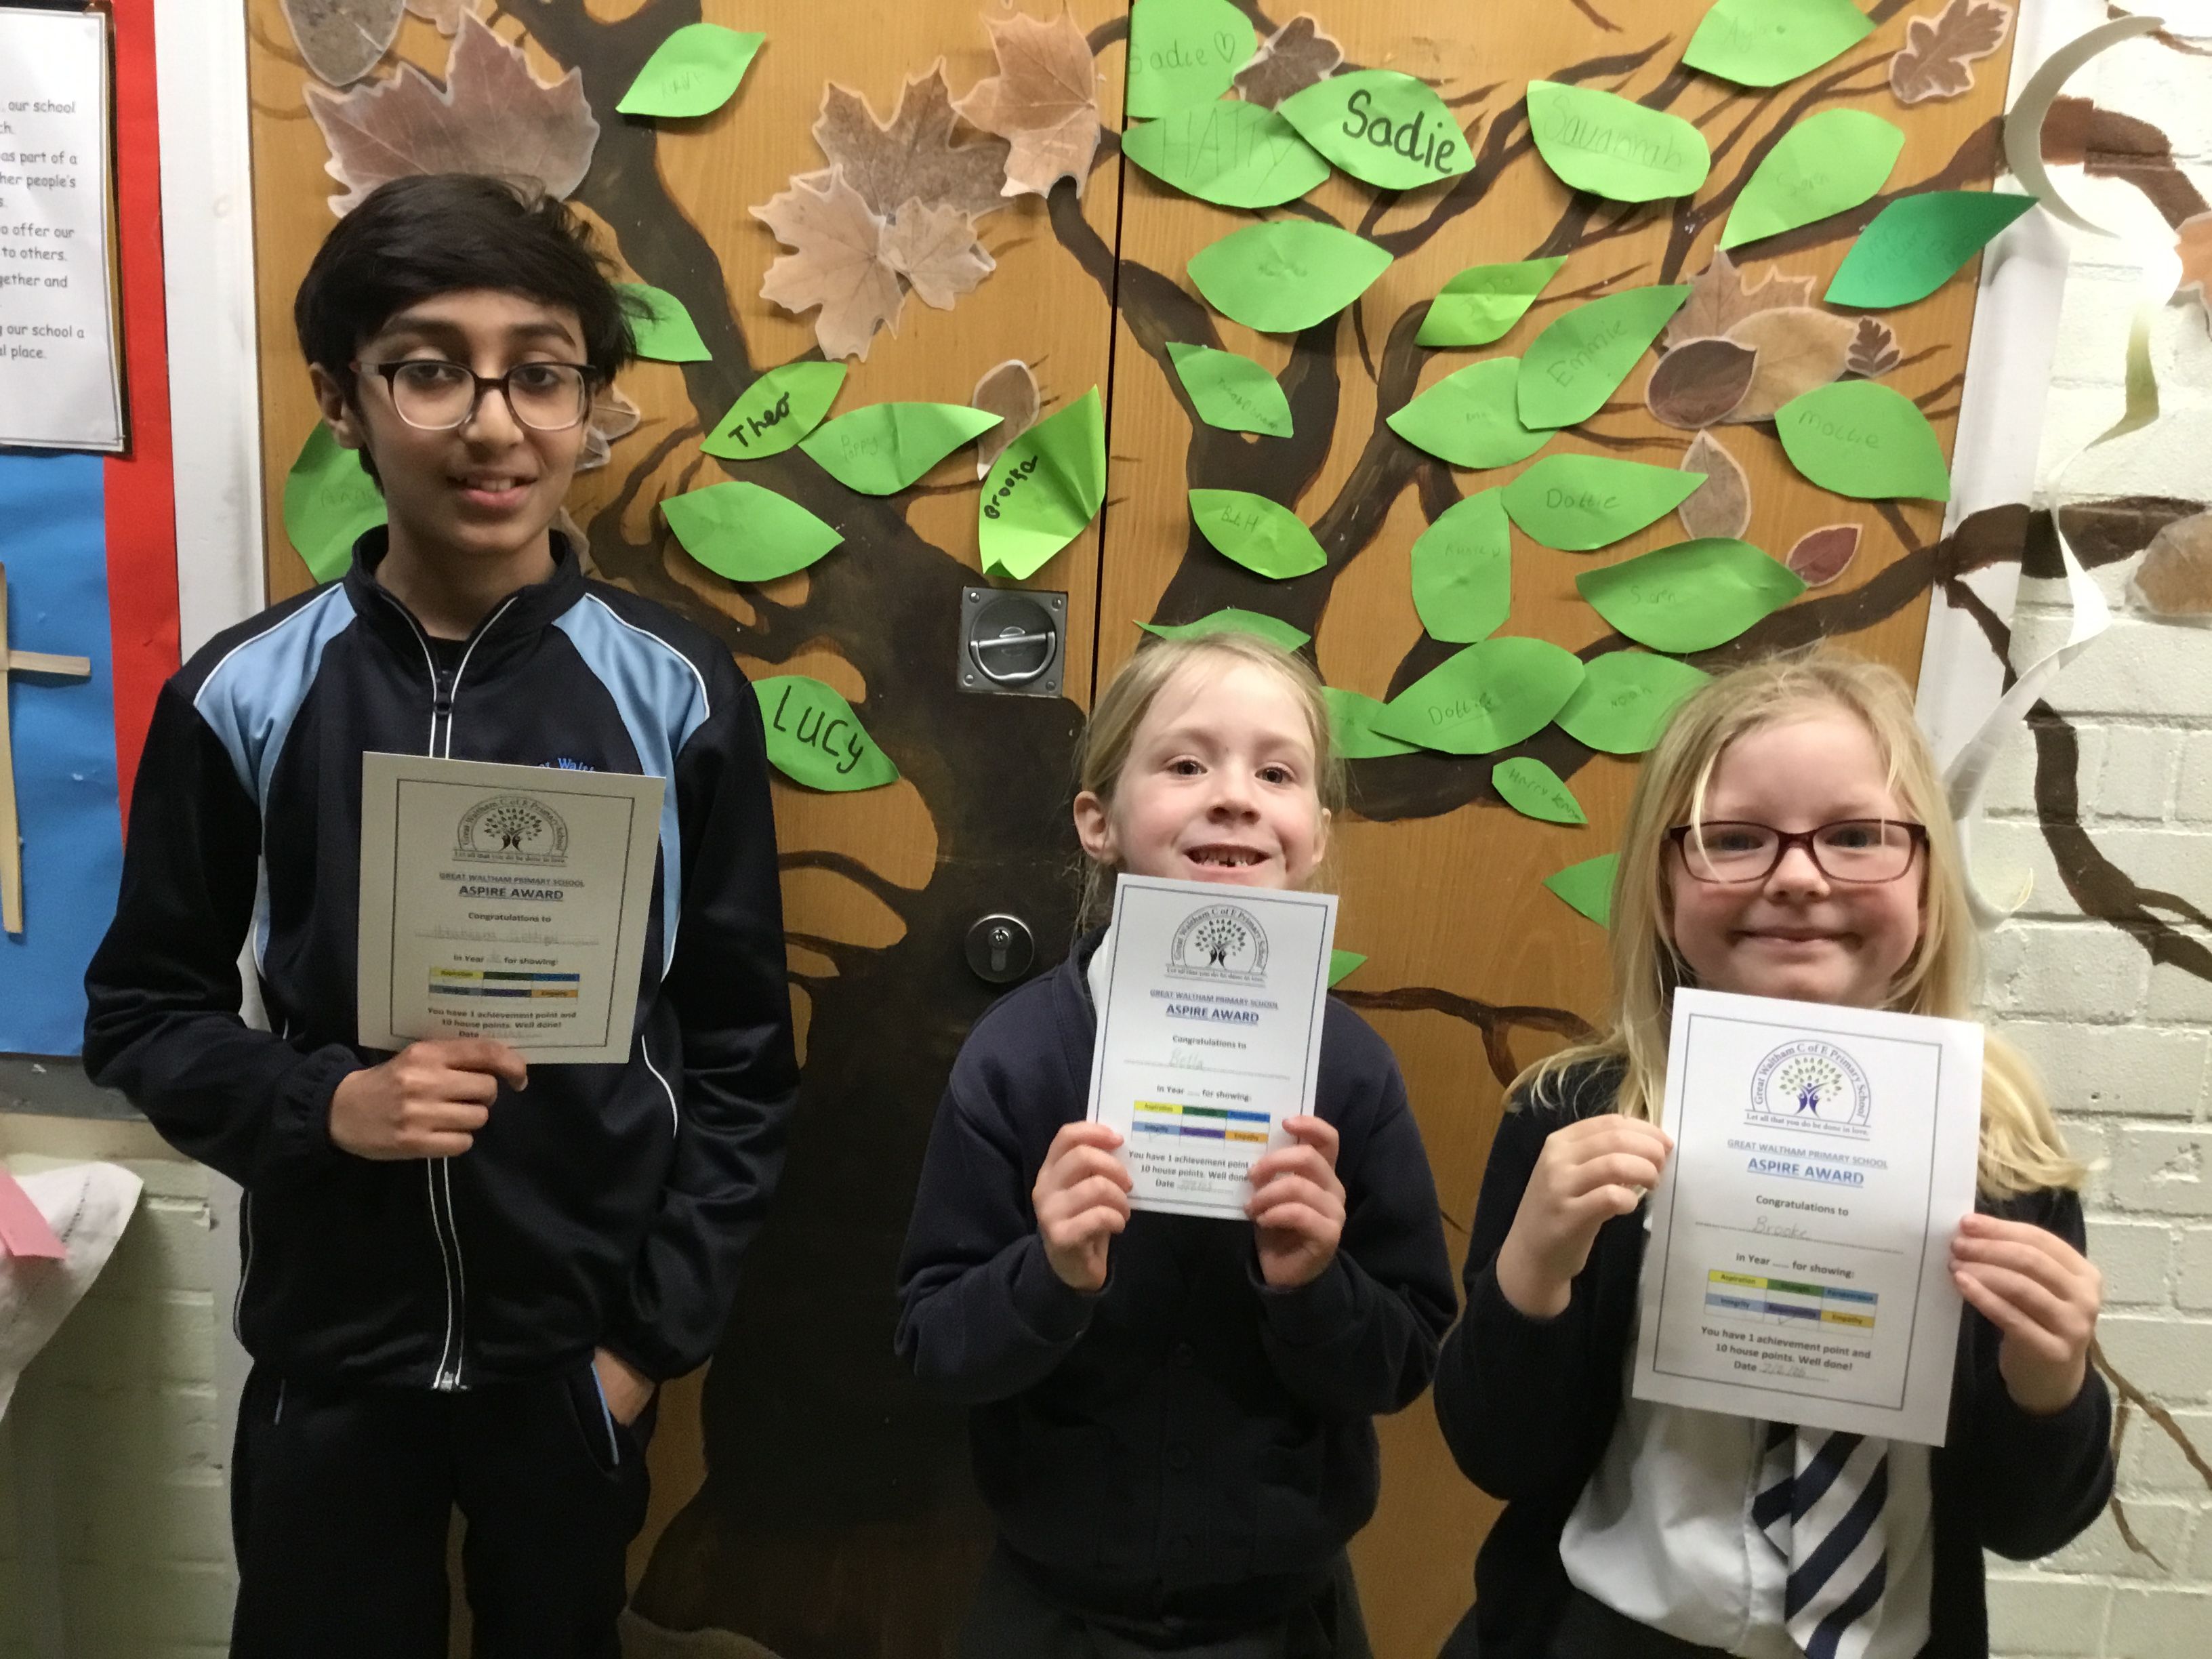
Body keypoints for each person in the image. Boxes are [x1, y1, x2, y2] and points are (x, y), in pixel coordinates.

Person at [81, 174, 799, 1658]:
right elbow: (141, 1014)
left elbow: (739, 1050)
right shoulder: (245, 693)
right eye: (428, 370)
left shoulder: (676, 692)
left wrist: (644, 1345)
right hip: (333, 1361)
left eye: (541, 374)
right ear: (341, 397)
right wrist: (323, 1105)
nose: (493, 424)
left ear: (587, 403)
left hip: (574, 1362)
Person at [1432, 649, 2111, 1659]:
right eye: (1735, 839)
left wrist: (2049, 1382)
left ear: (1931, 881)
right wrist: (1531, 1279)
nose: (1797, 876)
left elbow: (2029, 1523)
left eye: (1858, 836)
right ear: (1663, 887)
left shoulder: (2001, 1148)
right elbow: (1499, 1453)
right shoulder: (1571, 1121)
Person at [896, 630, 1457, 1659]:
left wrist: (1315, 1285)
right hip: (1053, 1612)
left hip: (1285, 1619)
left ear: (1315, 835)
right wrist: (1050, 1275)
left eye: (1277, 773)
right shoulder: (1018, 1060)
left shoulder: (1352, 1073)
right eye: (1187, 763)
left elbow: (1403, 1363)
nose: (1235, 796)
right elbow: (935, 1346)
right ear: (1098, 822)